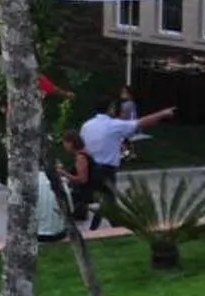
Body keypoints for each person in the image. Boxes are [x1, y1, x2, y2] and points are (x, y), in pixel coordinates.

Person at [76, 96, 177, 226]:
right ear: (111, 108)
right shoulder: (113, 125)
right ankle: (112, 227)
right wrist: (162, 114)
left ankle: (97, 225)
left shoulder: (86, 126)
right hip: (106, 169)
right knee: (108, 201)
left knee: (103, 199)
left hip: (89, 166)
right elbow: (140, 123)